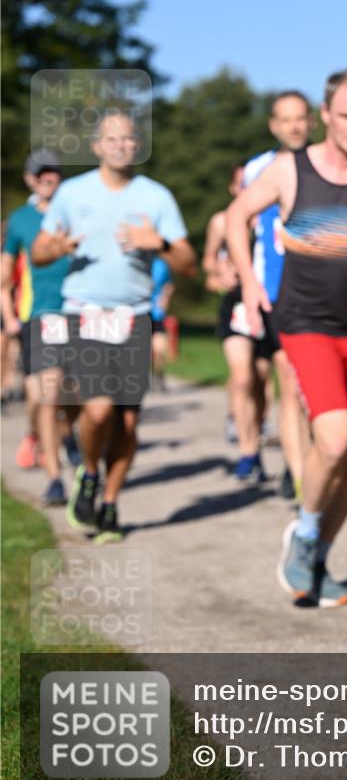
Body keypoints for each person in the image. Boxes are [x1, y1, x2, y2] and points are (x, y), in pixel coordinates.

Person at [227, 67, 347, 607]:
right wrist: (247, 281)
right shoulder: (290, 171)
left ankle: (321, 555)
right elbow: (234, 216)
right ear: (326, 115)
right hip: (308, 325)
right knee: (333, 439)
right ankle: (305, 532)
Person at [32, 111, 197, 542]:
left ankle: (109, 502)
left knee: (125, 425)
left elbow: (189, 263)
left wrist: (157, 244)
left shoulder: (156, 197)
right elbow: (38, 253)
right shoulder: (72, 193)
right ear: (96, 146)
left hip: (134, 316)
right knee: (98, 407)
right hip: (85, 312)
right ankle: (88, 471)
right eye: (112, 139)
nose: (121, 145)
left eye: (128, 139)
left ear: (137, 145)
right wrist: (57, 246)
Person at [242, 91, 316, 499]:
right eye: (285, 120)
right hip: (277, 290)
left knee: (315, 389)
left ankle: (310, 456)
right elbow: (239, 221)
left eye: (300, 118)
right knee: (290, 381)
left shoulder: (329, 162)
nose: (294, 127)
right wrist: (245, 282)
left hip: (323, 291)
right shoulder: (257, 169)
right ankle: (299, 471)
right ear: (273, 125)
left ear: (312, 122)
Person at [1, 150, 77, 503]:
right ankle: (54, 477)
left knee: (73, 392)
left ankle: (69, 434)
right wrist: (10, 317)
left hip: (79, 313)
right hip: (39, 314)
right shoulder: (20, 220)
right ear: (30, 179)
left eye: (53, 172)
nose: (48, 178)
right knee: (42, 394)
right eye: (40, 173)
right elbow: (4, 278)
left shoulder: (77, 210)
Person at [203, 164, 271, 484]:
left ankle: (254, 437)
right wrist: (219, 272)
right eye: (243, 183)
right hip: (237, 305)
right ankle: (247, 451)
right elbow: (208, 261)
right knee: (242, 377)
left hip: (271, 303)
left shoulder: (275, 219)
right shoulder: (222, 220)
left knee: (261, 381)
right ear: (233, 188)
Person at [150, 256, 174, 392]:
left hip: (157, 313)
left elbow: (169, 284)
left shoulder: (161, 264)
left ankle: (159, 375)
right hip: (140, 312)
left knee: (159, 348)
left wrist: (165, 298)